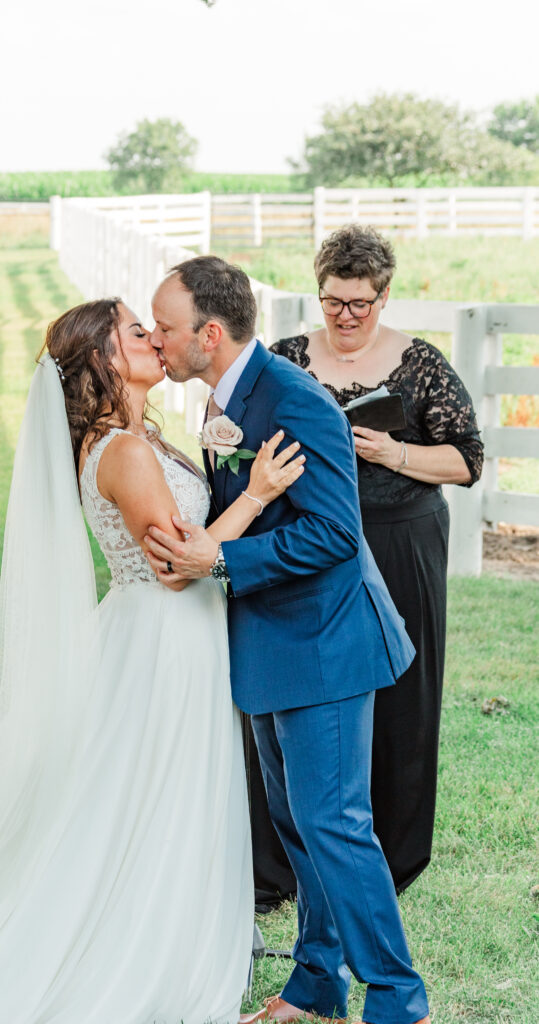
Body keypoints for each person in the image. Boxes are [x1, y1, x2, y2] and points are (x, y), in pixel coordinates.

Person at [0, 298, 305, 1023]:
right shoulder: (121, 450)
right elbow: (175, 568)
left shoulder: (141, 437)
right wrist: (255, 495)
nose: (156, 339)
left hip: (180, 636)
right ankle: (136, 943)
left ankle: (172, 924)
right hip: (162, 636)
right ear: (101, 358)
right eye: (137, 331)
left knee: (161, 790)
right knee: (149, 793)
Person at [145, 255, 431, 1024]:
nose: (156, 339)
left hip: (323, 644)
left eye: (165, 328)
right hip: (271, 642)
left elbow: (335, 534)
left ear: (209, 333)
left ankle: (399, 999)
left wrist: (223, 558)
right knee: (297, 824)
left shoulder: (294, 400)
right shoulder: (228, 397)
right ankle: (314, 983)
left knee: (334, 824)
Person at [270, 224, 484, 894]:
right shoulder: (286, 360)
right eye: (333, 301)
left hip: (401, 538)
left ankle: (388, 857)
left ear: (384, 296)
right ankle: (290, 858)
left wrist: (391, 451)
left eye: (359, 303)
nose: (344, 316)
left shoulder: (419, 364)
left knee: (401, 692)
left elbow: (465, 460)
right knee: (301, 687)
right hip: (308, 542)